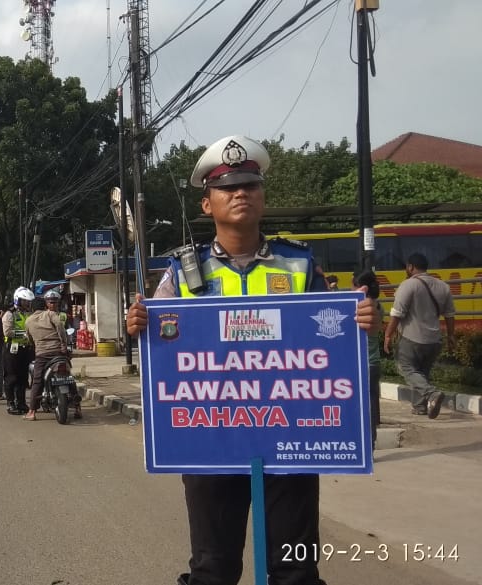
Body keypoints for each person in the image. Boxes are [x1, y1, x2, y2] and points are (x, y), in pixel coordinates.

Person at [124, 135, 381, 585]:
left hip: (291, 441)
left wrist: (360, 318)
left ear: (263, 197)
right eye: (227, 188)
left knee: (295, 571)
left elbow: (334, 341)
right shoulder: (182, 273)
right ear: (207, 204)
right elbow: (158, 347)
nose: (240, 193)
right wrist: (138, 323)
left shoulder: (300, 266)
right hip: (209, 444)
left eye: (250, 185)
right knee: (212, 570)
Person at [384, 252, 455, 418]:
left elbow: (397, 313)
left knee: (406, 368)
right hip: (435, 340)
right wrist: (451, 336)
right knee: (422, 373)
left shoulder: (408, 285)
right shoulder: (443, 286)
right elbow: (450, 314)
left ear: (410, 267)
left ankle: (432, 394)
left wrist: (388, 335)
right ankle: (419, 407)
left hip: (412, 338)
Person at [24, 297, 75, 421]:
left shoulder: (28, 321)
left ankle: (31, 411)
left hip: (42, 355)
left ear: (32, 308)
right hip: (58, 352)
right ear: (45, 306)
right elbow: (61, 329)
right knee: (69, 376)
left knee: (37, 381)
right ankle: (77, 407)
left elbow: (29, 338)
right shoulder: (51, 314)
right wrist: (63, 344)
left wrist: (34, 344)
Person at [354, 271, 382, 449]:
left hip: (360, 363)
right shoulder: (378, 306)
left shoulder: (357, 308)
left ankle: (363, 444)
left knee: (360, 408)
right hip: (375, 362)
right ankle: (370, 443)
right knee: (371, 405)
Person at [2, 287, 35, 415]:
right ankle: (10, 403)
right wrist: (24, 335)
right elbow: (8, 332)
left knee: (22, 378)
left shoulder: (29, 314)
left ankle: (21, 402)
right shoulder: (10, 314)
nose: (27, 304)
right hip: (12, 350)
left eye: (28, 302)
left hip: (25, 349)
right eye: (24, 301)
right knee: (11, 377)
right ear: (18, 300)